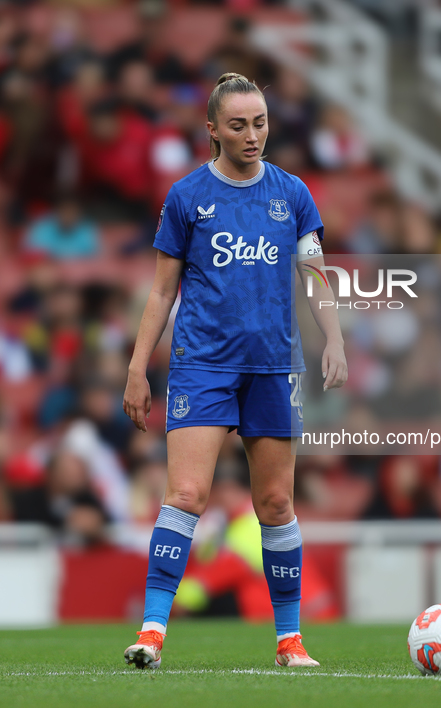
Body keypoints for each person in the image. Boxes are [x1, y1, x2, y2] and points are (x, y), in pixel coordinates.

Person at [122, 73, 347, 670]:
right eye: (240, 124)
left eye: (261, 123)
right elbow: (162, 291)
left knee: (275, 504)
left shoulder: (293, 194)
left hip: (274, 367)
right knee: (187, 495)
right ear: (213, 130)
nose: (253, 135)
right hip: (202, 365)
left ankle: (290, 641)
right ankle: (151, 633)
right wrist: (138, 368)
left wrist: (335, 339)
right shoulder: (188, 196)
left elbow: (315, 273)